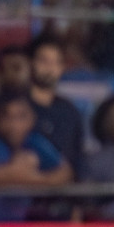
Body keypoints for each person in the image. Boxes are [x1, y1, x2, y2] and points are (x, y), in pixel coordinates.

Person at [0, 93, 73, 222]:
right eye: (6, 116)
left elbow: (65, 172)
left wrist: (28, 178)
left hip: (26, 222)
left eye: (21, 117)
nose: (14, 124)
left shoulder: (34, 140)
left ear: (32, 119)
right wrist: (29, 176)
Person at [27, 36, 84, 170]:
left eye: (56, 62)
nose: (49, 68)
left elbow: (76, 158)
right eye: (43, 61)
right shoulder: (15, 107)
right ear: (31, 63)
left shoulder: (69, 112)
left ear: (62, 68)